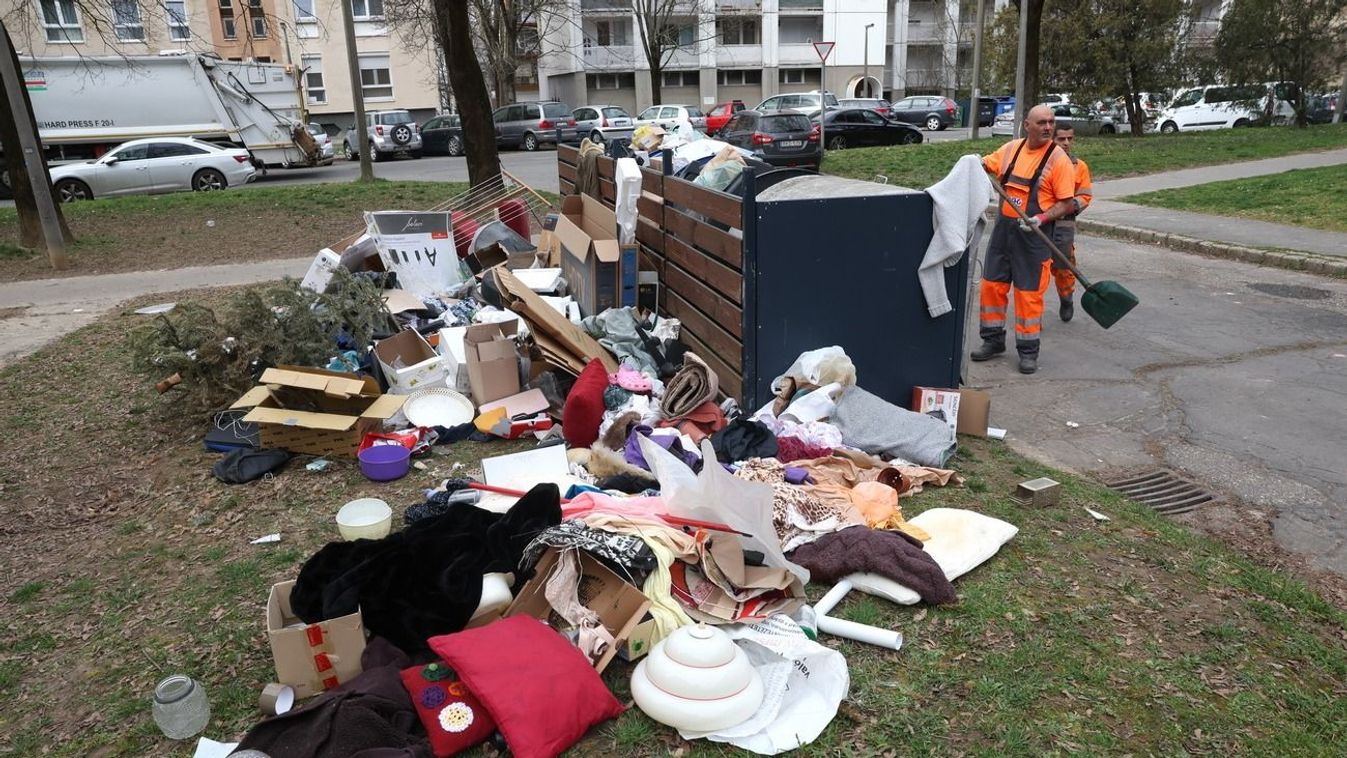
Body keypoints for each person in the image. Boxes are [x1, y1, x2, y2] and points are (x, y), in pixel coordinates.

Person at [972, 104, 1077, 374]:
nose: (1048, 127)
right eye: (1041, 122)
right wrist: (974, 164)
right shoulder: (1011, 149)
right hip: (1004, 232)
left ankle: (1028, 351)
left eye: (1051, 122)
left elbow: (1066, 203)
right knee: (991, 287)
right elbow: (984, 164)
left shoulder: (1058, 160)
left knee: (1028, 295)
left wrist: (1041, 219)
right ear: (1027, 126)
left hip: (1035, 236)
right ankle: (992, 341)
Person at [1049, 123, 1093, 322]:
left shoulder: (1079, 166)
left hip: (1063, 223)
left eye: (1070, 139)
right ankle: (1033, 308)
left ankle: (1066, 298)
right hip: (1037, 221)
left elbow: (1085, 196)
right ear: (1052, 139)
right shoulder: (1042, 163)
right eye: (1061, 139)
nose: (1066, 143)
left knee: (1063, 265)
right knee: (1035, 267)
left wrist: (1068, 206)